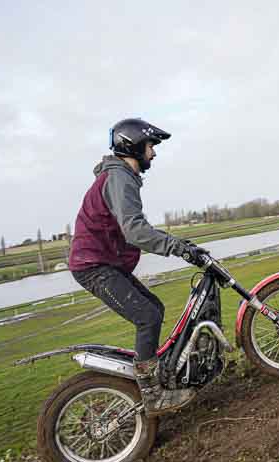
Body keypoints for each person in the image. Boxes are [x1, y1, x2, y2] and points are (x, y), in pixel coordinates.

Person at [68, 117, 207, 415]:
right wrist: (178, 247)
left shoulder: (120, 177)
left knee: (154, 309)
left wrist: (176, 244)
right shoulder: (119, 177)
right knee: (147, 316)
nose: (153, 153)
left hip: (105, 263)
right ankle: (153, 395)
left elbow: (132, 227)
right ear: (132, 145)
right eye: (150, 146)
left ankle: (155, 376)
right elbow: (135, 230)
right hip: (94, 266)